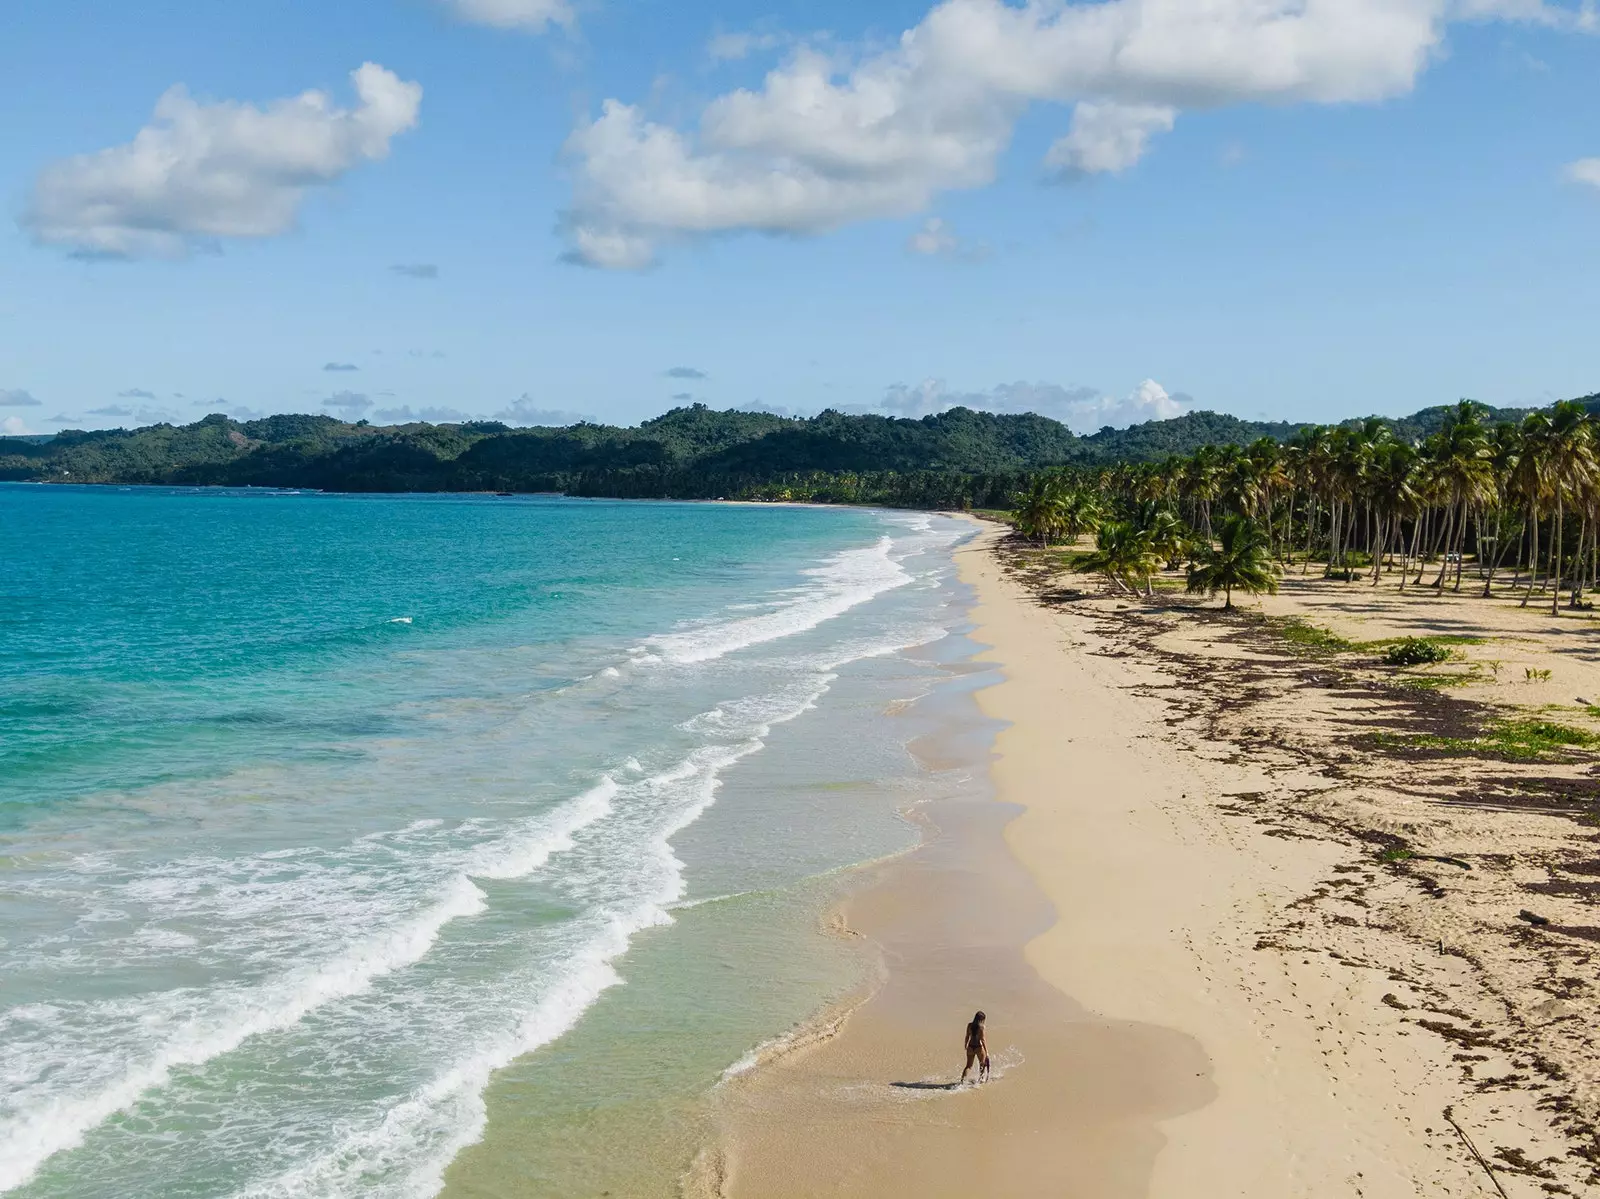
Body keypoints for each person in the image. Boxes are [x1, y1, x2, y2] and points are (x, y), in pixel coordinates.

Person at [960, 1010, 990, 1083]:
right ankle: (980, 1080)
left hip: (970, 1047)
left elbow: (967, 1036)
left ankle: (962, 1081)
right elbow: (982, 1040)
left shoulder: (969, 1025)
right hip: (978, 1047)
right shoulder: (982, 1027)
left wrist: (966, 1045)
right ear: (982, 1019)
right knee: (982, 1064)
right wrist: (987, 1052)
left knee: (968, 1066)